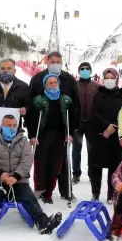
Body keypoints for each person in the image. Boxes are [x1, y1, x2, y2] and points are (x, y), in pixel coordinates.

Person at [0, 114, 62, 234]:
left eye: (14, 125)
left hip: (19, 181)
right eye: (8, 126)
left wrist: (16, 176)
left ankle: (44, 223)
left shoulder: (23, 141)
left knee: (30, 199)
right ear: (2, 126)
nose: (12, 128)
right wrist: (0, 174)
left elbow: (27, 161)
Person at [28, 51, 80, 200]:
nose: (55, 64)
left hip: (61, 131)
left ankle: (65, 191)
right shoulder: (37, 79)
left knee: (60, 163)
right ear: (47, 61)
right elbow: (31, 106)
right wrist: (32, 133)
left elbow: (75, 105)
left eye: (58, 61)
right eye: (53, 61)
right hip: (43, 131)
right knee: (41, 162)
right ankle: (40, 189)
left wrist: (72, 129)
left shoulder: (69, 80)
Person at [89, 68, 122, 204]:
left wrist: (114, 127)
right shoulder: (98, 95)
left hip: (116, 136)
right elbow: (95, 113)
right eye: (107, 77)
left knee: (114, 166)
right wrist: (106, 127)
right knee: (96, 166)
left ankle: (111, 195)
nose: (109, 80)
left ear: (116, 79)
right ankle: (95, 193)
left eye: (112, 77)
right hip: (100, 134)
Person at [72, 61, 100, 184]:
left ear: (90, 71)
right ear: (79, 71)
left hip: (91, 123)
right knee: (76, 150)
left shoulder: (96, 86)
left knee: (92, 150)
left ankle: (91, 174)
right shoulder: (74, 85)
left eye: (87, 69)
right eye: (82, 68)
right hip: (77, 123)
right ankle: (76, 174)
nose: (84, 70)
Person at [0, 58, 29, 128]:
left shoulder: (23, 86)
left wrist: (26, 110)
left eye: (9, 68)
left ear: (14, 71)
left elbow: (28, 105)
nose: (5, 71)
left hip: (13, 127)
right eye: (3, 68)